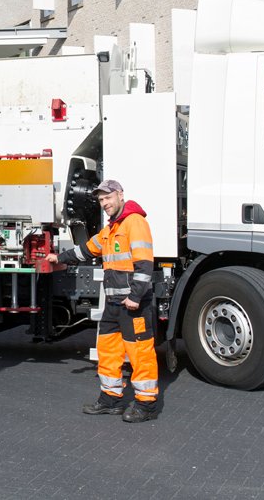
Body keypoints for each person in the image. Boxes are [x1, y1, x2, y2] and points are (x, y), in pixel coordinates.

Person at [47, 179, 160, 423]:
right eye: (100, 200)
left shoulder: (135, 223)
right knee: (108, 352)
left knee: (140, 353)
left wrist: (135, 296)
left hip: (132, 303)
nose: (104, 203)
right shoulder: (110, 230)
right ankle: (111, 399)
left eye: (108, 198)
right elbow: (86, 250)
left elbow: (144, 264)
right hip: (113, 304)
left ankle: (146, 404)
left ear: (120, 195)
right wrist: (59, 257)